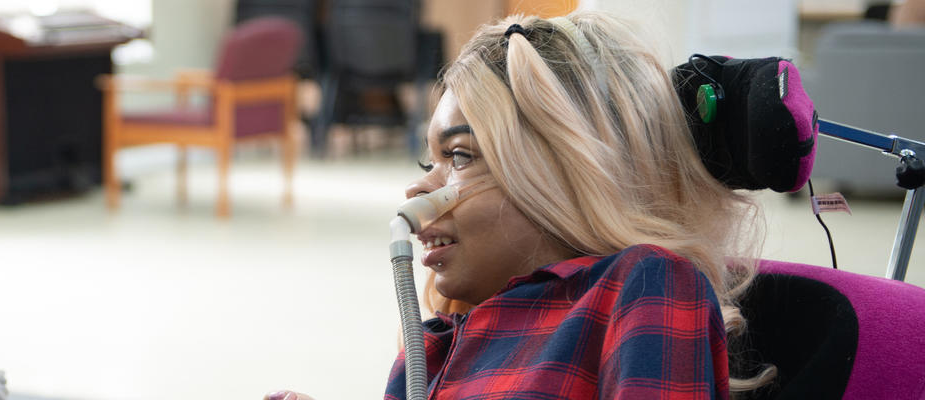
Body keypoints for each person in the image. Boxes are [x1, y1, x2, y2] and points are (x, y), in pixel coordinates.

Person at [267, 12, 774, 400]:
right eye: (430, 164)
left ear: (565, 170)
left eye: (459, 156)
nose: (418, 193)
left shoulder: (644, 286)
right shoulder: (429, 349)